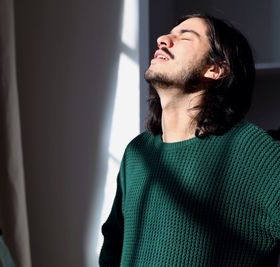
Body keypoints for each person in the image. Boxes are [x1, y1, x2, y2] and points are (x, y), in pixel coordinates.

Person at [99, 13, 280, 266]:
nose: (163, 39)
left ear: (215, 69)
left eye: (185, 36)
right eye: (170, 33)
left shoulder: (258, 153)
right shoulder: (137, 154)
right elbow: (112, 248)